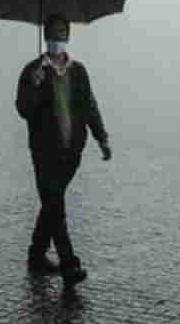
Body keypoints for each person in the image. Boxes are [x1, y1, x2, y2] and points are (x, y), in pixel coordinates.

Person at [15, 14, 111, 286]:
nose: (57, 40)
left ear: (68, 37)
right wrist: (33, 86)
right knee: (56, 205)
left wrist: (101, 137)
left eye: (62, 35)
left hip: (71, 154)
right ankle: (69, 265)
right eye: (53, 35)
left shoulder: (78, 71)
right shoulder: (33, 71)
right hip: (44, 152)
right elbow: (23, 109)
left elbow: (89, 106)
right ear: (45, 37)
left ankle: (36, 254)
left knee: (51, 204)